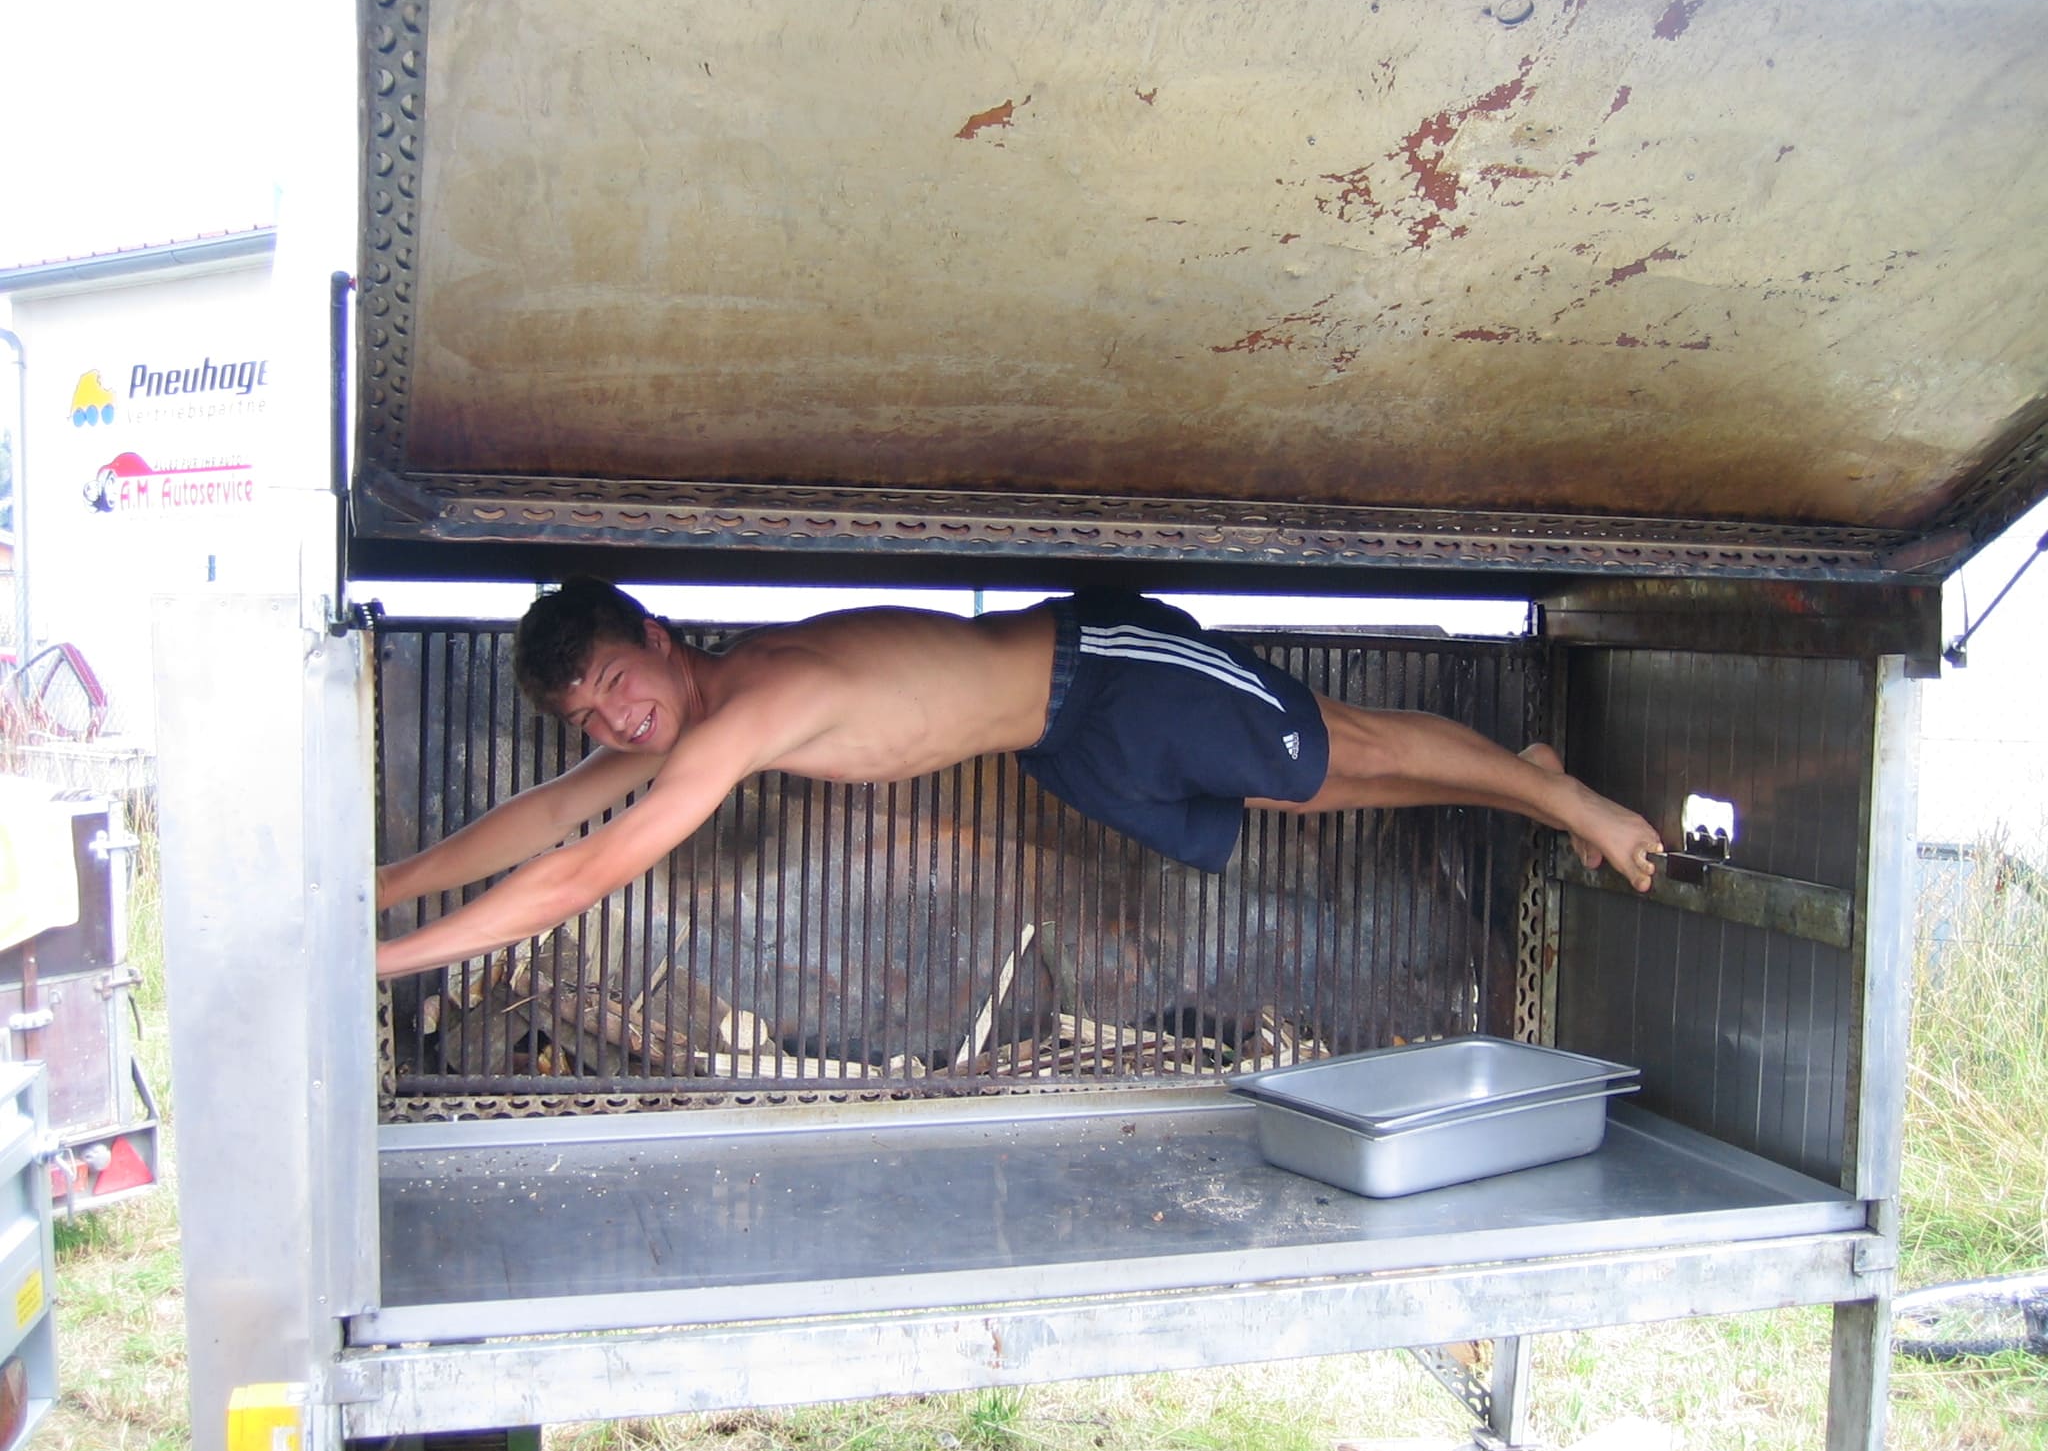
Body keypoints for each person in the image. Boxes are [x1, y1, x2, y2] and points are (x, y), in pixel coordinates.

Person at [375, 580, 1662, 977]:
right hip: (1064, 746)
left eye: (615, 681)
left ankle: (1566, 800)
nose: (616, 721)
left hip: (1103, 672)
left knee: (1343, 746)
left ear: (656, 637)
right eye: (590, 715)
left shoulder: (741, 709)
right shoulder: (689, 717)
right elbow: (547, 814)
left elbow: (582, 872)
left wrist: (378, 964)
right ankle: (1520, 778)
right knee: (1301, 791)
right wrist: (386, 890)